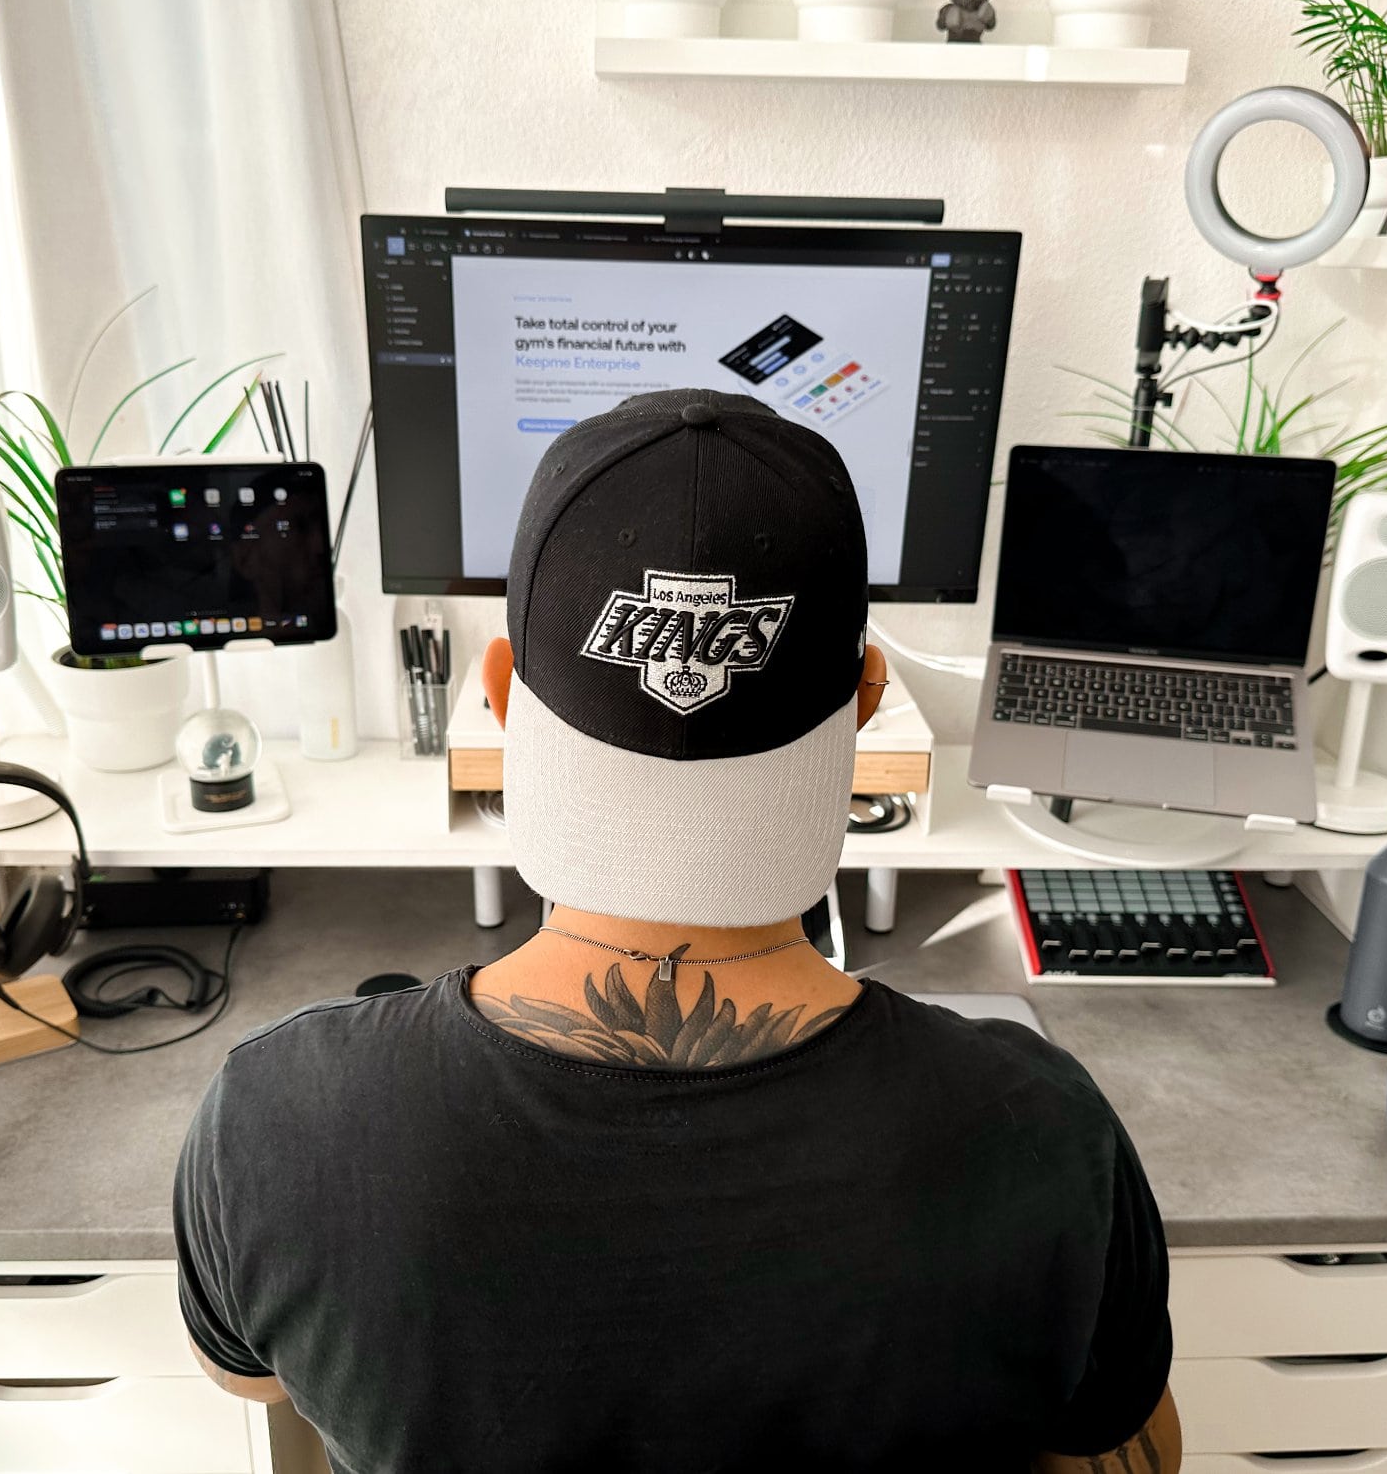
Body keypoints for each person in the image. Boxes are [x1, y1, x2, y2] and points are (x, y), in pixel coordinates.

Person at [173, 389, 1179, 1473]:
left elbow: (251, 1381)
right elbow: (1129, 1446)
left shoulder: (273, 1118)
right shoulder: (1044, 1129)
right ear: (867, 697)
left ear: (502, 691)